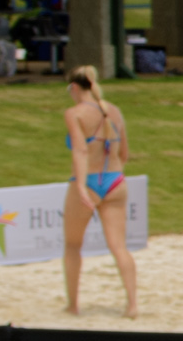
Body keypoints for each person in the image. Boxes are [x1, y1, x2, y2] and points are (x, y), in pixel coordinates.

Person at [59, 63, 138, 315]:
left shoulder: (74, 113)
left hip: (90, 180)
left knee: (73, 245)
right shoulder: (113, 111)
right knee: (119, 246)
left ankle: (73, 305)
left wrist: (82, 186)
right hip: (115, 180)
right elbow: (124, 153)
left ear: (74, 87)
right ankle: (132, 304)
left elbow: (80, 150)